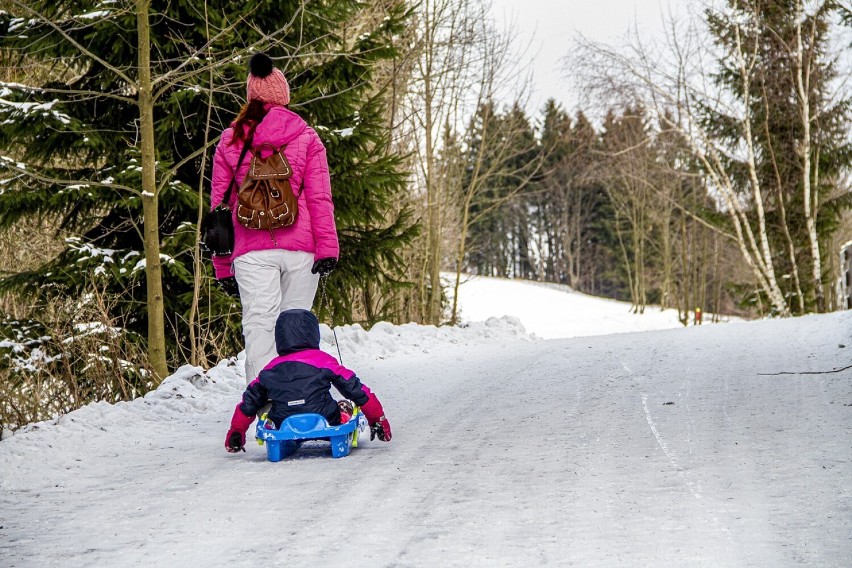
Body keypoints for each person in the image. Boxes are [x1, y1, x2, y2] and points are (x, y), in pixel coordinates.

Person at [210, 52, 339, 384]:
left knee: (259, 323)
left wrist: (222, 266)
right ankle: (297, 398)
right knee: (294, 325)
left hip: (250, 250)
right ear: (284, 96)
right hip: (302, 249)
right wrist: (327, 249)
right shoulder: (307, 137)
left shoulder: (230, 140)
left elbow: (220, 210)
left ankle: (263, 400)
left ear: (250, 95)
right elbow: (320, 198)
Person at [225, 309, 392, 453]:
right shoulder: (324, 361)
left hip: (283, 421)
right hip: (327, 419)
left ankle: (277, 435)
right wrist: (378, 419)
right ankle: (340, 426)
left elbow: (249, 402)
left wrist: (236, 431)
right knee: (344, 404)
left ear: (280, 337)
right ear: (313, 334)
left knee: (268, 409)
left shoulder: (269, 369)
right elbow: (356, 389)